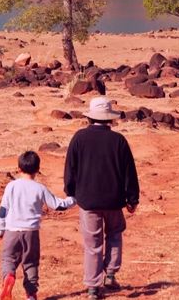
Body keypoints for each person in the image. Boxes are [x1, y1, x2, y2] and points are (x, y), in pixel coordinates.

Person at [64, 97, 140, 299]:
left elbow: (70, 168)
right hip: (115, 200)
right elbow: (129, 173)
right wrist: (132, 199)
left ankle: (92, 287)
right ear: (109, 119)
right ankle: (111, 274)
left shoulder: (79, 138)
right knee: (115, 233)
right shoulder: (119, 141)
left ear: (90, 117)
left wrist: (71, 192)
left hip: (88, 201)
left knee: (92, 243)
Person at [0, 150, 76, 300]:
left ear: (18, 168)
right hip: (31, 232)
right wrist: (74, 199)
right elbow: (57, 205)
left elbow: (3, 209)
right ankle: (31, 294)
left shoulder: (11, 186)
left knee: (8, 259)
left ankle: (9, 276)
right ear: (38, 170)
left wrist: (0, 228)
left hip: (12, 230)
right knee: (31, 263)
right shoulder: (40, 188)